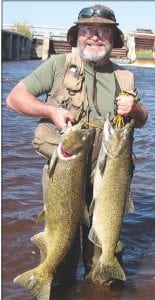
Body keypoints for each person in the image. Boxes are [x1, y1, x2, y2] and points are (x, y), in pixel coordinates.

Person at [6, 4, 148, 284]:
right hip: (64, 179)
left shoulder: (125, 77)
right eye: (87, 29)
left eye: (103, 30)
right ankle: (52, 283)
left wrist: (135, 109)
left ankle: (103, 286)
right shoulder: (58, 65)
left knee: (103, 263)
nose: (94, 36)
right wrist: (51, 112)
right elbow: (14, 99)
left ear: (114, 38)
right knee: (61, 260)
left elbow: (142, 119)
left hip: (109, 182)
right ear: (76, 35)